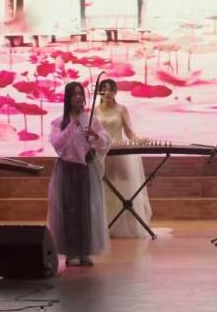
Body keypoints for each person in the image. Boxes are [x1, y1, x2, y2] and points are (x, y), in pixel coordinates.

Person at [47, 81, 111, 266]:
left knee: (85, 210)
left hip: (86, 170)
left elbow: (105, 142)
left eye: (81, 94)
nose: (78, 97)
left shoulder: (92, 120)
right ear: (68, 98)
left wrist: (96, 136)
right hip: (67, 169)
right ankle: (70, 252)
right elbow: (57, 144)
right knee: (68, 210)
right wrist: (71, 127)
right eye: (74, 94)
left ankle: (84, 251)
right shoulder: (60, 122)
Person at [97, 79, 154, 238]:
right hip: (102, 153)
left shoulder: (121, 109)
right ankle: (104, 225)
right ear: (99, 92)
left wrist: (139, 141)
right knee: (104, 188)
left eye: (111, 89)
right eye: (104, 89)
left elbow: (129, 133)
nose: (108, 93)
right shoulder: (94, 111)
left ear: (115, 92)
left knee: (121, 187)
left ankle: (123, 225)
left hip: (119, 153)